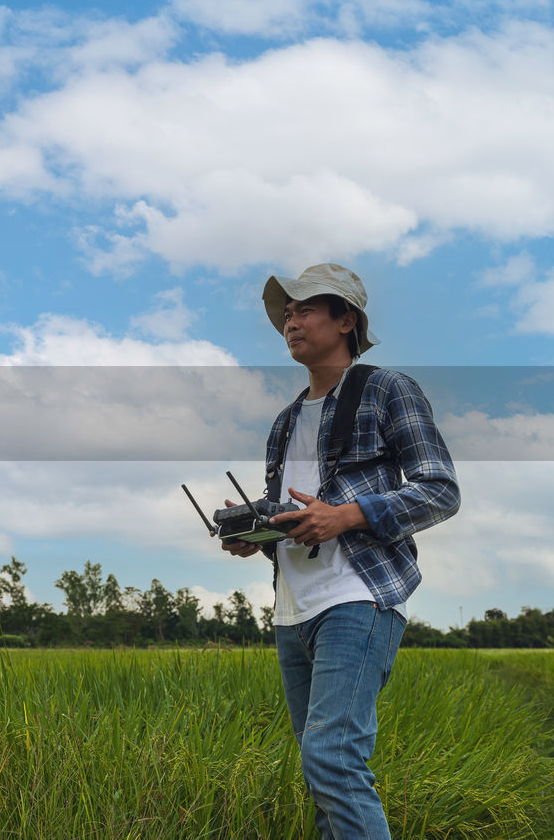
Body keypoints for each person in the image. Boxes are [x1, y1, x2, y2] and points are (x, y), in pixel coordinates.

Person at [220, 262, 459, 839]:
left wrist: (346, 515)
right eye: (286, 314)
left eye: (304, 309)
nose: (290, 322)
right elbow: (299, 511)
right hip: (292, 610)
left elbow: (440, 490)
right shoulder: (284, 422)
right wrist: (257, 532)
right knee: (322, 772)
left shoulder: (386, 389)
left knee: (333, 761)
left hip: (358, 596)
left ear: (346, 319)